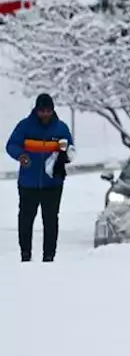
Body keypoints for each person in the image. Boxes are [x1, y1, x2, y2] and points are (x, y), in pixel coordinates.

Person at [5, 93, 75, 262]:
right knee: (26, 219)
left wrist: (66, 155)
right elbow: (11, 145)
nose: (45, 114)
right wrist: (21, 155)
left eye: (48, 111)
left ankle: (49, 256)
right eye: (42, 111)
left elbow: (70, 148)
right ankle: (25, 254)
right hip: (28, 183)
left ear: (52, 110)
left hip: (53, 183)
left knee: (51, 220)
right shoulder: (24, 127)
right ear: (36, 110)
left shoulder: (61, 128)